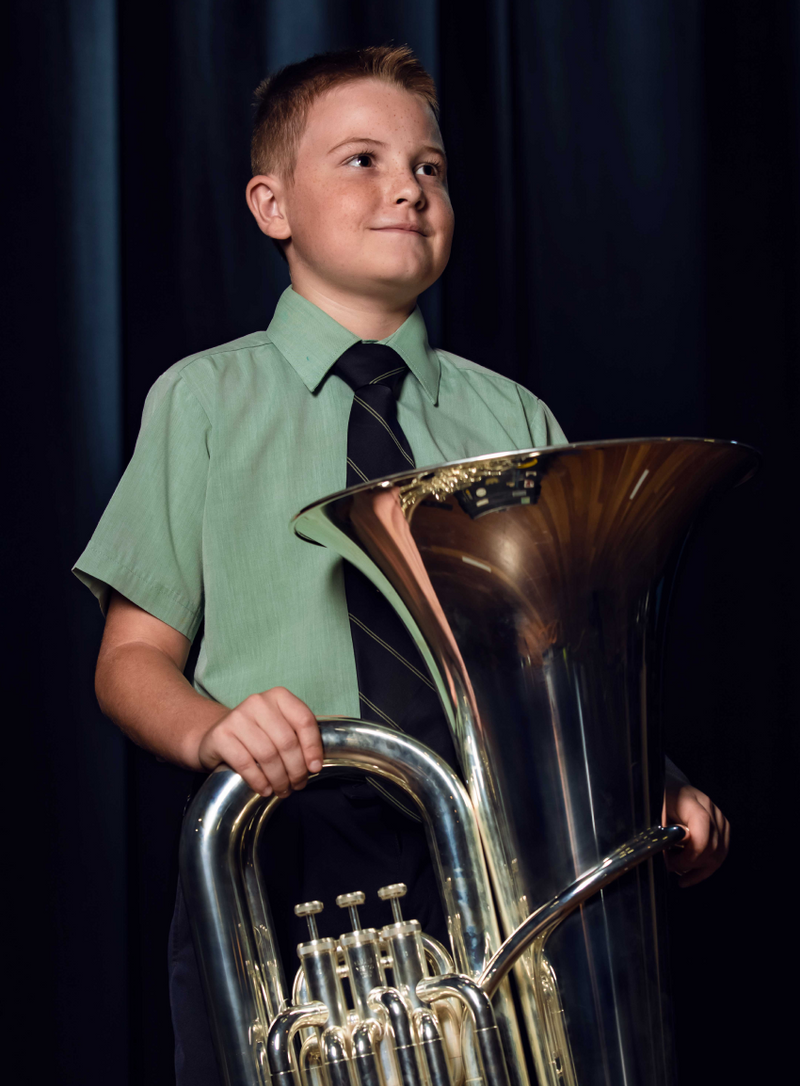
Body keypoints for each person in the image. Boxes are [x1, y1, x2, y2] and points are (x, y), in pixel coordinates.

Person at [73, 45, 730, 1085]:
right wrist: (213, 729)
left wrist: (653, 783)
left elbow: (559, 669)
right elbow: (129, 657)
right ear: (270, 205)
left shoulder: (508, 415)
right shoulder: (200, 399)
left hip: (493, 852)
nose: (406, 188)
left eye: (428, 167)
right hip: (283, 837)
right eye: (361, 160)